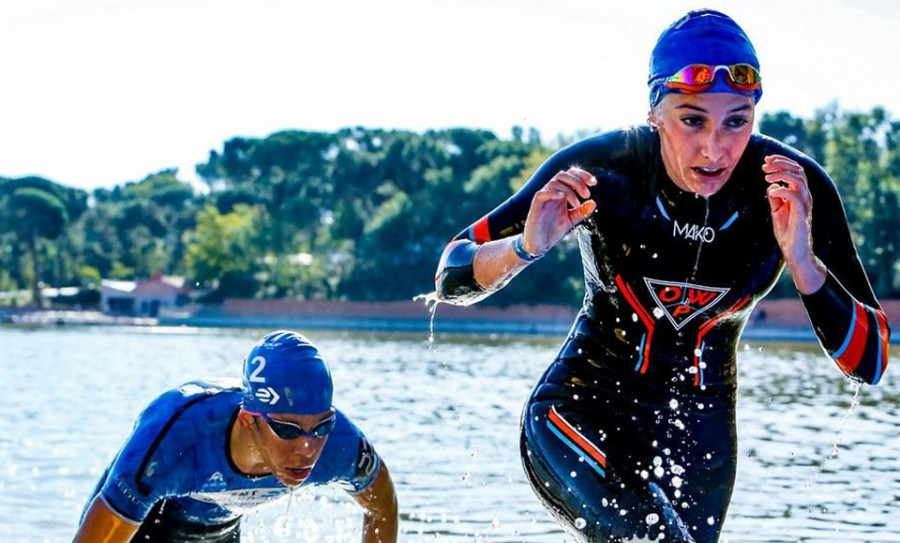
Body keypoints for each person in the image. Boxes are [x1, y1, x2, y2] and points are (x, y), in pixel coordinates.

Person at [434, 9, 890, 543]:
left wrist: (805, 264)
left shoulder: (792, 186)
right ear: (655, 113)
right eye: (692, 120)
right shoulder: (605, 168)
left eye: (736, 121)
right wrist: (526, 247)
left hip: (700, 432)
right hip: (581, 408)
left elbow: (872, 362)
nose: (714, 148)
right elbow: (451, 275)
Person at [73, 330, 397, 543]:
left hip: (221, 530)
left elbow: (382, 507)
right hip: (149, 523)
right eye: (287, 431)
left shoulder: (340, 445)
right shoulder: (179, 438)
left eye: (321, 427)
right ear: (247, 421)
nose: (308, 448)